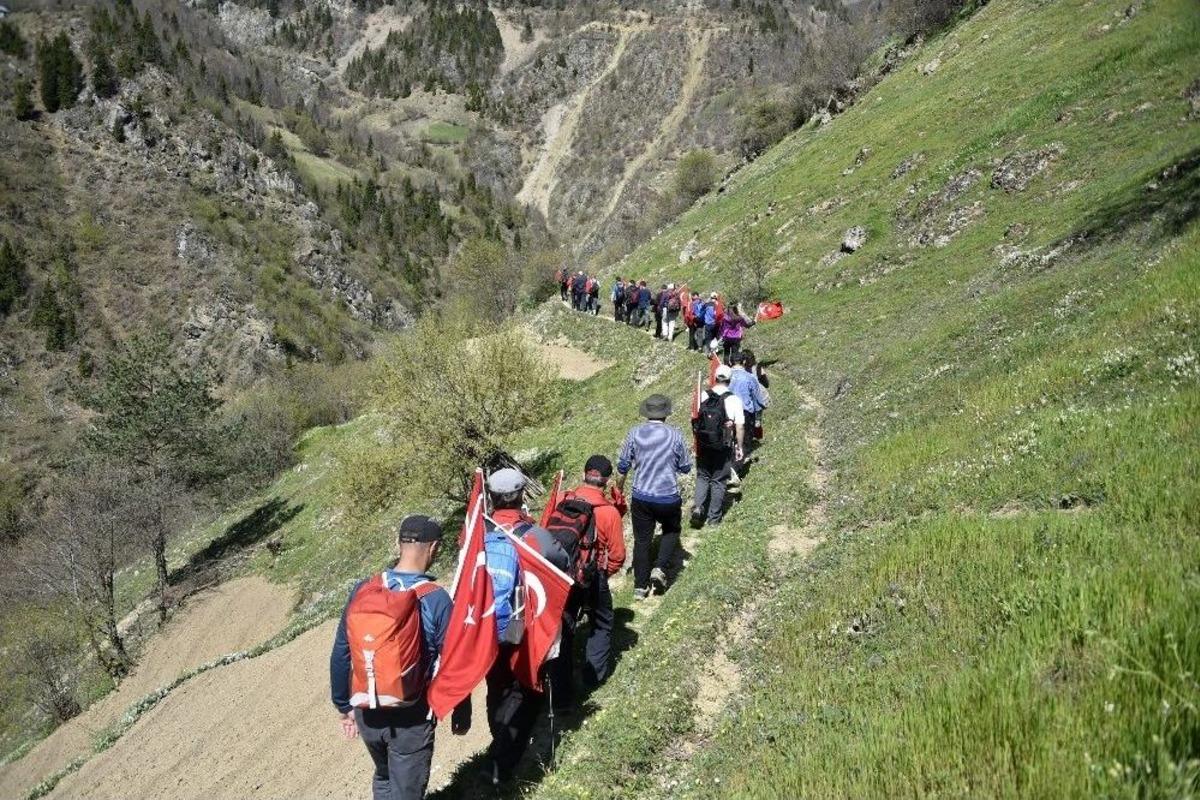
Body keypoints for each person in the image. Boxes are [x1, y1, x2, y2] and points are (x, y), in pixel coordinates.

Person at [451, 468, 564, 786]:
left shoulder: (477, 536)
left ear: (492, 497)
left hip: (485, 626)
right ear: (521, 495)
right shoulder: (534, 535)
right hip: (521, 628)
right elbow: (562, 563)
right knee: (528, 690)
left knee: (497, 686)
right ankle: (501, 762)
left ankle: (499, 743)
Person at [331, 515, 452, 800]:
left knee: (384, 776)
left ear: (398, 543)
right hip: (410, 714)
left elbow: (341, 653)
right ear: (433, 548)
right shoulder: (435, 597)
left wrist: (343, 705)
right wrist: (458, 708)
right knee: (406, 792)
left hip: (366, 709)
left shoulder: (363, 590)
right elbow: (451, 660)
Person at [546, 455, 627, 705]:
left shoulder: (562, 500)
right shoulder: (608, 512)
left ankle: (561, 696)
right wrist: (603, 574)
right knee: (602, 622)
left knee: (564, 632)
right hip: (592, 576)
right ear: (605, 480)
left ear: (584, 474)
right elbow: (618, 555)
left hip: (560, 575)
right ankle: (593, 678)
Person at [616, 393, 693, 598]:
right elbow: (685, 468)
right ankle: (659, 567)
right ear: (666, 413)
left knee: (642, 541)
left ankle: (640, 588)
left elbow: (623, 466)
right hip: (667, 495)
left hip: (641, 495)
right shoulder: (675, 435)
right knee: (672, 529)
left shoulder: (634, 433)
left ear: (646, 413)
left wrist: (619, 489)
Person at [691, 365, 745, 528]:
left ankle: (699, 508)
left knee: (702, 476)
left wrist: (697, 440)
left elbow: (694, 419)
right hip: (724, 445)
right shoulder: (734, 399)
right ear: (730, 380)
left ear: (714, 378)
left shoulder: (703, 395)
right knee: (719, 481)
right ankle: (714, 519)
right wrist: (739, 447)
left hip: (704, 443)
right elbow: (740, 426)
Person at [730, 352, 770, 449]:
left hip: (729, 410)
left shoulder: (726, 375)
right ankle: (743, 452)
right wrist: (760, 410)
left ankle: (733, 449)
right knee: (746, 434)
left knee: (732, 433)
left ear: (730, 362)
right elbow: (756, 396)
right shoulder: (750, 377)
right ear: (743, 362)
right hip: (746, 410)